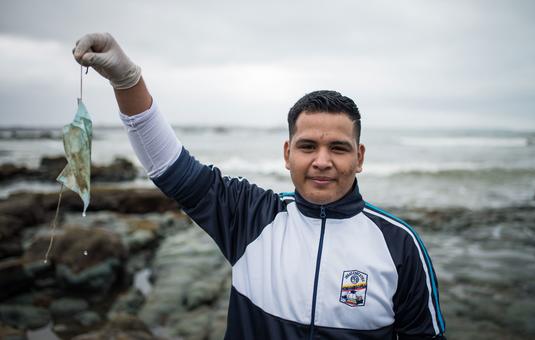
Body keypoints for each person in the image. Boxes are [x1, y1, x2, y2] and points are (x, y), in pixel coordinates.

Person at [73, 32, 446, 340]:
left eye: (338, 148)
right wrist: (127, 80)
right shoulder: (251, 216)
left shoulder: (399, 245)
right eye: (307, 146)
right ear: (287, 153)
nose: (321, 161)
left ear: (359, 157)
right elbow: (170, 167)